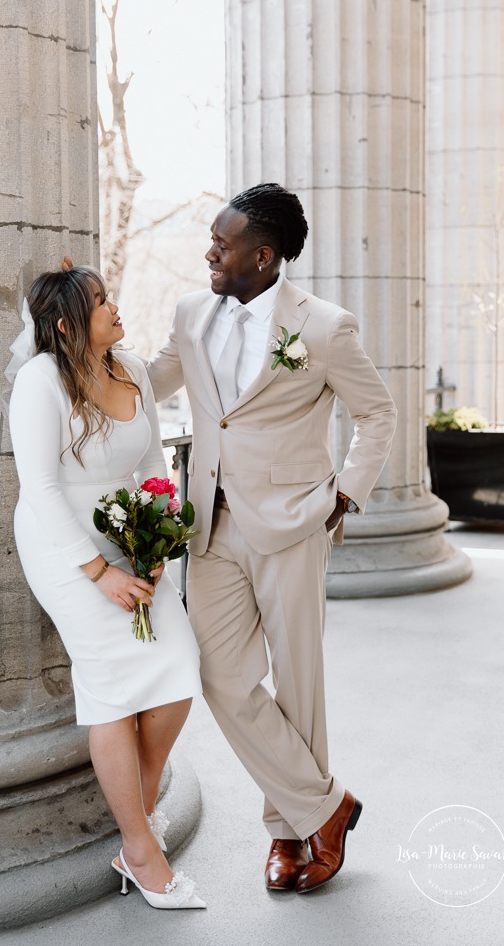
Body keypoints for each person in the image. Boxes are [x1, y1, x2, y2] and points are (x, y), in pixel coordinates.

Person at [145, 183, 397, 894]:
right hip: (210, 522)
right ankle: (324, 807)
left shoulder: (321, 327)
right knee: (219, 673)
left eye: (221, 246)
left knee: (297, 681)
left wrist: (343, 494)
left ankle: (288, 832)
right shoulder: (192, 313)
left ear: (262, 255)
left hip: (291, 522)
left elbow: (375, 414)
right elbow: (148, 379)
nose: (208, 253)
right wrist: (74, 336)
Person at [7, 266, 205, 910]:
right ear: (66, 325)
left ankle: (135, 821)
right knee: (111, 688)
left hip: (132, 533)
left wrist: (158, 540)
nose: (115, 307)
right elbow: (38, 487)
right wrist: (97, 573)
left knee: (177, 669)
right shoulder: (40, 381)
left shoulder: (135, 370)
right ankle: (141, 849)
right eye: (99, 302)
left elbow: (150, 462)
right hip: (62, 544)